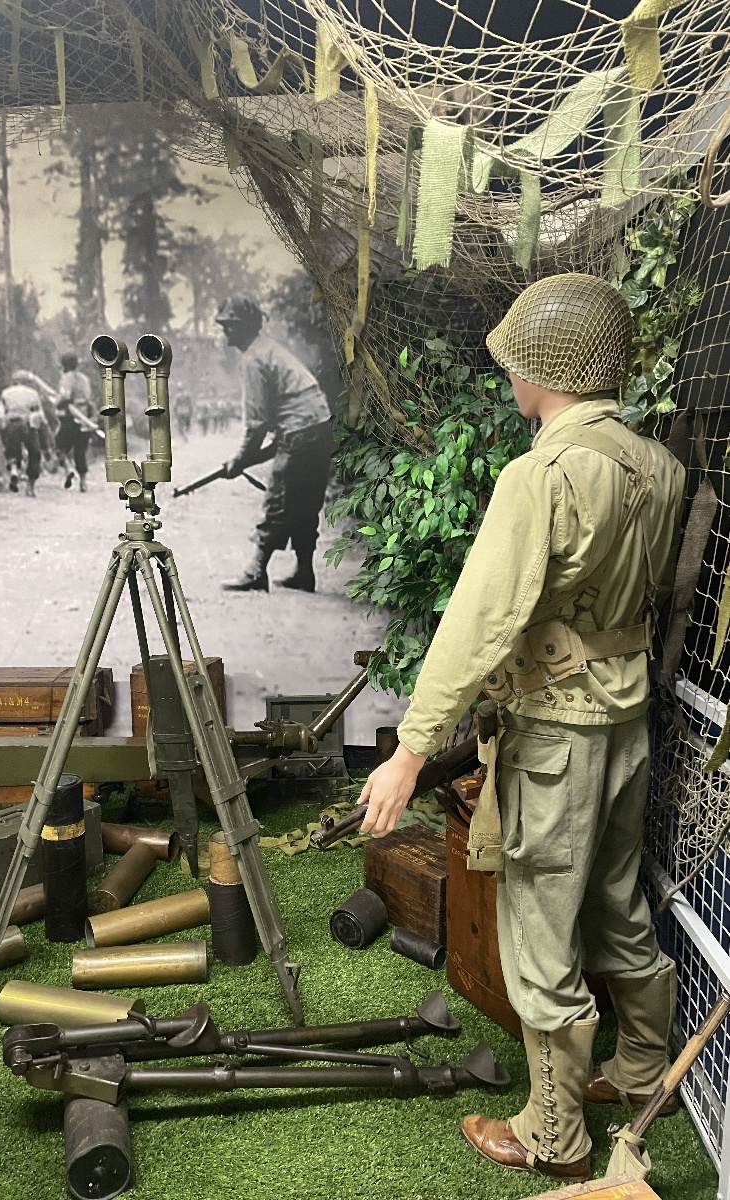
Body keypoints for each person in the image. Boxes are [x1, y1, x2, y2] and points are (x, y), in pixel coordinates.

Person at [356, 274, 686, 1183]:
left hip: (557, 733)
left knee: (539, 929)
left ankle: (553, 1136)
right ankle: (641, 1070)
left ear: (543, 369)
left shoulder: (541, 475)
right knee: (616, 899)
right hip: (627, 721)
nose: (509, 377)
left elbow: (480, 619)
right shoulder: (658, 467)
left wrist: (411, 749)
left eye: (515, 362)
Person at [216, 296, 333, 592]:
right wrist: (242, 461)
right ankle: (304, 572)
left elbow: (257, 427)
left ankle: (256, 570)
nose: (225, 331)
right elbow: (276, 439)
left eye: (230, 325)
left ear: (244, 327)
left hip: (299, 431)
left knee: (279, 499)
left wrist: (239, 460)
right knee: (306, 501)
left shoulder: (253, 359)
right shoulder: (269, 348)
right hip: (320, 427)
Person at [0, 370, 45, 497]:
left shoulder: (6, 393)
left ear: (14, 381)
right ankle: (30, 486)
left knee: (12, 449)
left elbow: (0, 412)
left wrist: (2, 427)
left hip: (11, 423)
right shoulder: (33, 393)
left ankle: (14, 470)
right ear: (27, 382)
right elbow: (40, 414)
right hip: (27, 424)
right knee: (34, 453)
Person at [55, 352, 95, 492]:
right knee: (80, 451)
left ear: (64, 365)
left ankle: (68, 468)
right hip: (85, 419)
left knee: (60, 447)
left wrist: (57, 403)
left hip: (70, 417)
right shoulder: (84, 379)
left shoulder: (66, 378)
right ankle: (83, 482)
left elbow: (65, 397)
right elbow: (88, 397)